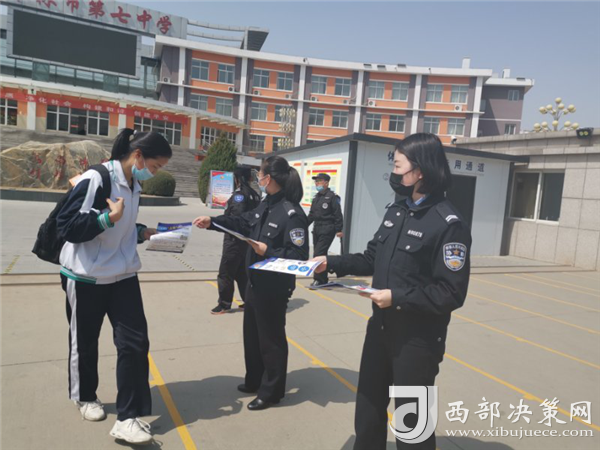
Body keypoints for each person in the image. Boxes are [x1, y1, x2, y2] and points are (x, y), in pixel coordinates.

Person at [312, 133, 472, 450]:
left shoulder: (447, 223)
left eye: (398, 166)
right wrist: (330, 262)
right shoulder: (397, 210)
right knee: (368, 409)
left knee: (413, 425)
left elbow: (450, 292)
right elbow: (372, 257)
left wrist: (396, 297)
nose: (393, 174)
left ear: (420, 171)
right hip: (380, 329)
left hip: (417, 340)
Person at [56, 128, 172, 445]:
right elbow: (67, 225)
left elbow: (121, 227)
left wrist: (141, 232)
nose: (154, 173)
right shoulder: (96, 178)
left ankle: (127, 418)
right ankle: (85, 396)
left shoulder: (134, 184)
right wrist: (106, 218)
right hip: (86, 277)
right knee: (85, 341)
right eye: (155, 166)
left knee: (135, 344)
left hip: (123, 275)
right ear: (138, 156)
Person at [193, 155, 308, 411]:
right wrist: (213, 222)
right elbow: (243, 222)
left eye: (261, 174)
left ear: (270, 178)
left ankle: (272, 392)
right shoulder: (267, 205)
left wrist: (268, 250)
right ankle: (255, 380)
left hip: (274, 287)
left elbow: (300, 256)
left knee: (271, 341)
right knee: (253, 337)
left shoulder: (292, 213)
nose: (258, 178)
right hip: (254, 283)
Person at [212, 166, 261, 315]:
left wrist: (217, 222)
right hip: (247, 240)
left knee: (226, 272)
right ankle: (249, 301)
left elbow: (236, 218)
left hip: (234, 239)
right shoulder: (255, 194)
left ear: (237, 178)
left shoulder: (240, 195)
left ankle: (224, 304)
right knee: (242, 273)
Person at [307, 173, 343, 286]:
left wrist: (339, 229)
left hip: (328, 228)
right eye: (316, 181)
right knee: (318, 253)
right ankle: (323, 277)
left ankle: (319, 279)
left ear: (326, 183)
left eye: (319, 181)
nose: (316, 183)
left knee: (319, 253)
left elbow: (337, 214)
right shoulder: (316, 198)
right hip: (317, 228)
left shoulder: (332, 197)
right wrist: (302, 224)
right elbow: (312, 215)